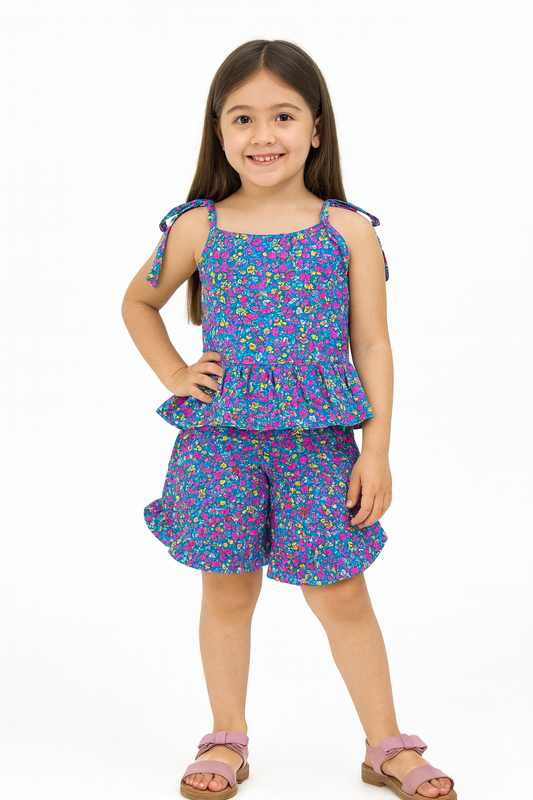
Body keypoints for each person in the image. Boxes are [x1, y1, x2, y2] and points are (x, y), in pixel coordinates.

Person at [122, 39, 456, 800]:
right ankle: (226, 738)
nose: (261, 135)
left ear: (315, 129)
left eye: (281, 115)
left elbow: (371, 340)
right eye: (242, 117)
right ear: (218, 131)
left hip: (319, 445)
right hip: (220, 444)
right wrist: (177, 372)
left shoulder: (347, 230)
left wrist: (377, 452)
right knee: (227, 588)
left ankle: (386, 746)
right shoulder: (195, 226)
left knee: (340, 592)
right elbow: (137, 302)